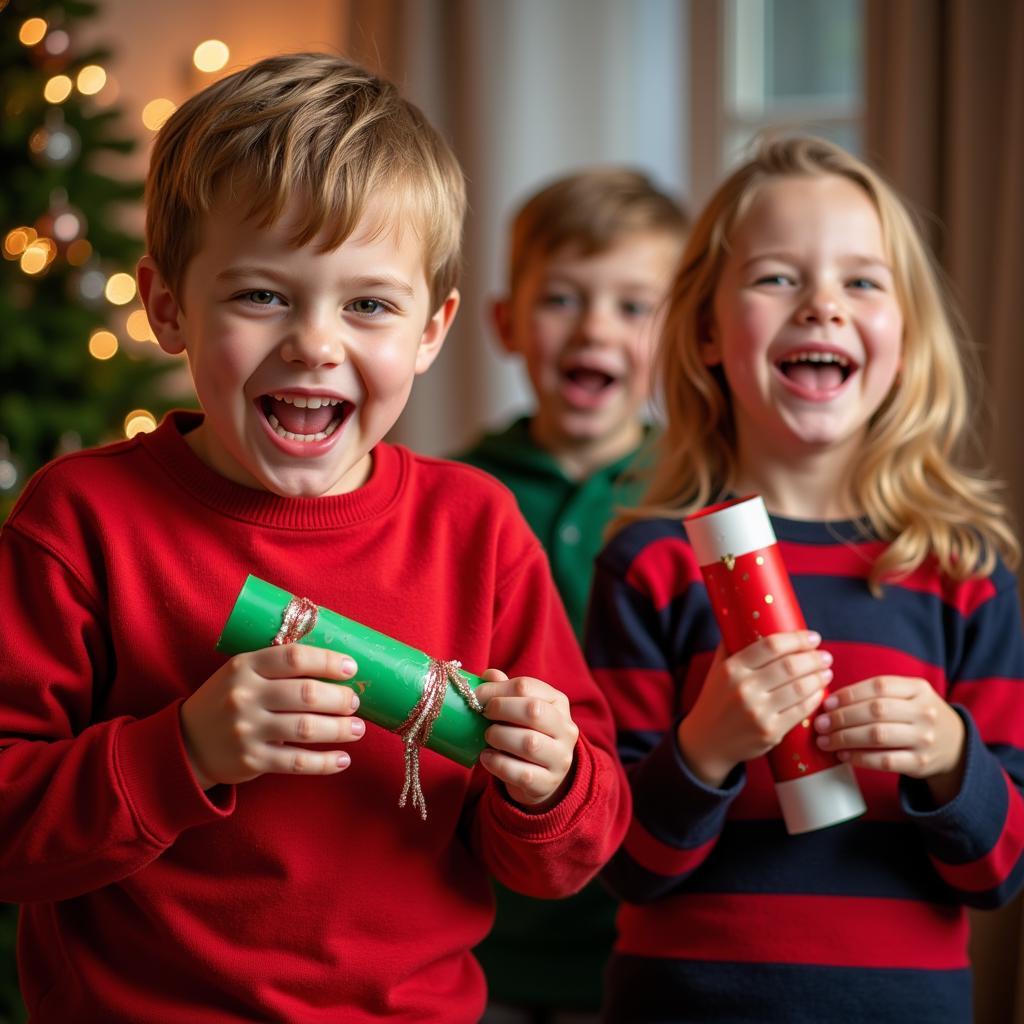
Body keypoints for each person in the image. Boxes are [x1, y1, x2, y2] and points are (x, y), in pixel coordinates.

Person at [0, 54, 630, 1024]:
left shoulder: (478, 528)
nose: (315, 343)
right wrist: (185, 754)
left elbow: (566, 857)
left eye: (369, 304)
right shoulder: (80, 520)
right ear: (167, 305)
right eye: (262, 295)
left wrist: (551, 782)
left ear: (432, 329)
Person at [584, 135, 1024, 1023]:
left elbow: (1001, 874)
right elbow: (617, 862)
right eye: (778, 277)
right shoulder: (653, 567)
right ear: (707, 330)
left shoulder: (963, 572)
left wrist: (949, 758)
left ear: (905, 338)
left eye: (863, 281)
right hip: (685, 1004)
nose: (823, 304)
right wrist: (706, 748)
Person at [455, 169, 688, 1021]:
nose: (594, 328)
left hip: (645, 930)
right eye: (561, 299)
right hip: (482, 927)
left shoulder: (704, 504)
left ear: (681, 333)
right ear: (505, 323)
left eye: (634, 307)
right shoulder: (455, 496)